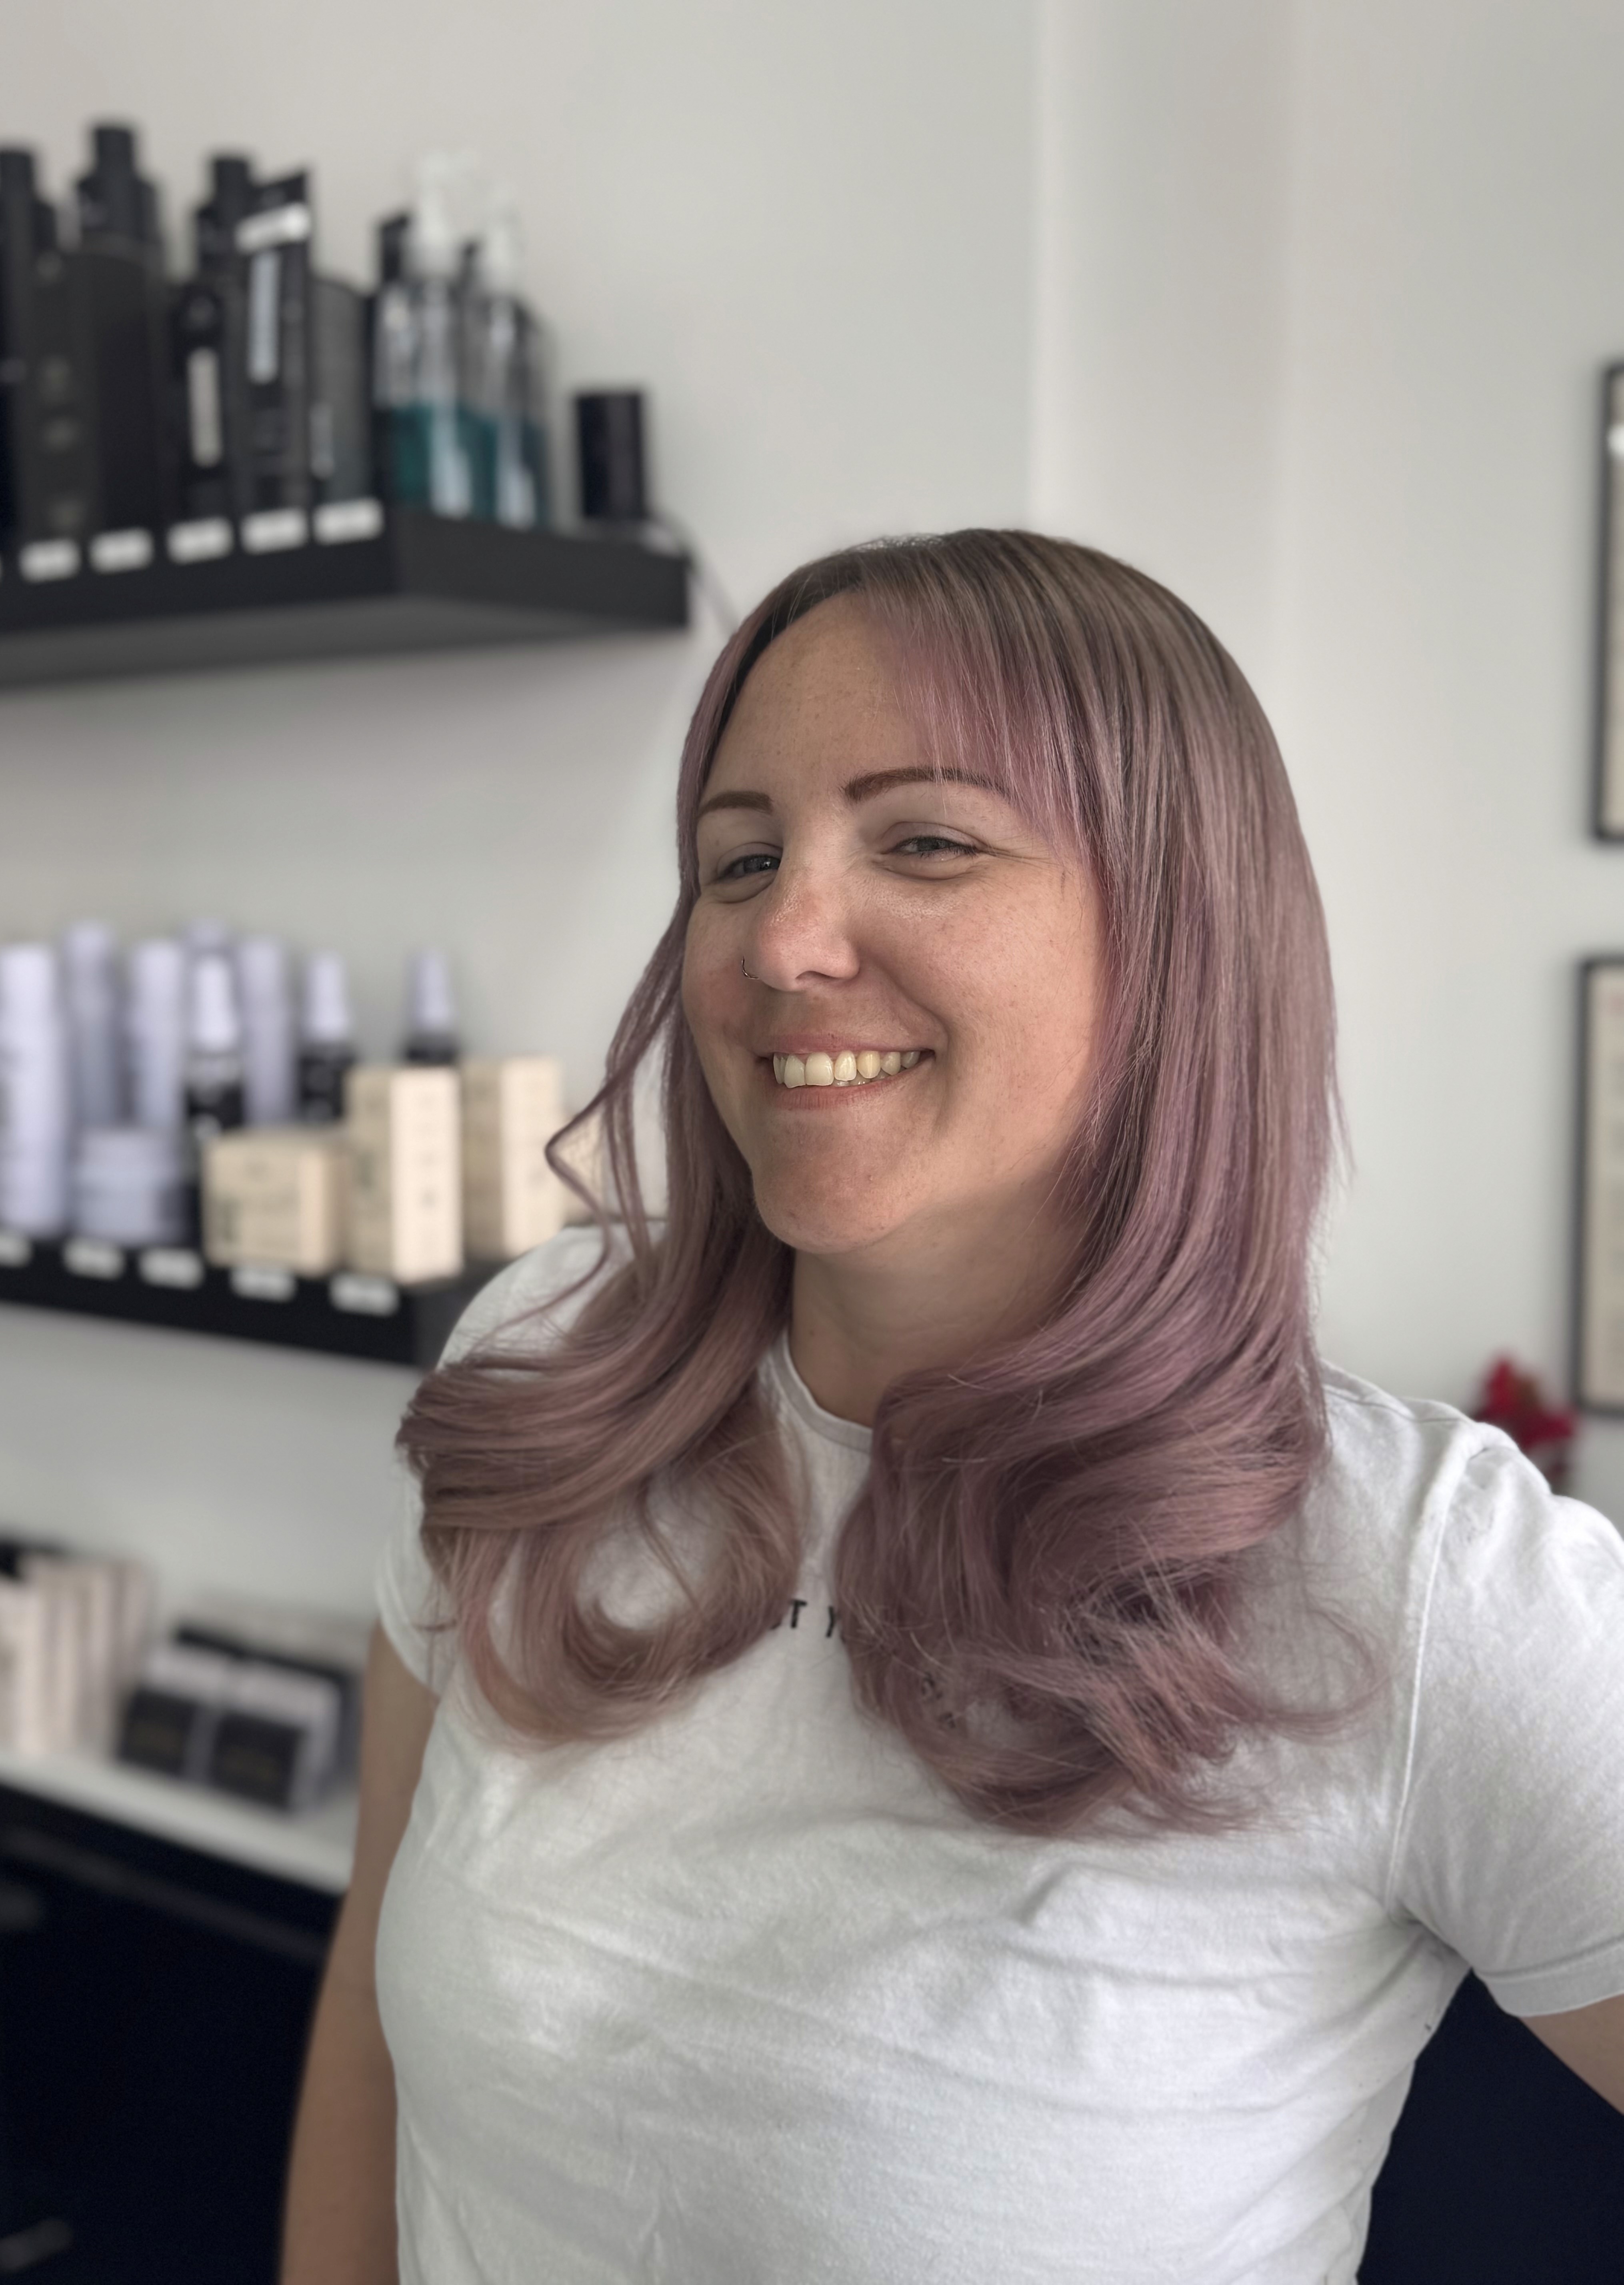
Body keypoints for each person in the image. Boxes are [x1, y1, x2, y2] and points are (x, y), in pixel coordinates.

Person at [280, 531, 1624, 2285]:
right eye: (737, 857)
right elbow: (374, 2030)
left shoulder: (1418, 1578)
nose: (782, 938)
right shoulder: (547, 1378)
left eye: (924, 841)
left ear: (1176, 933)